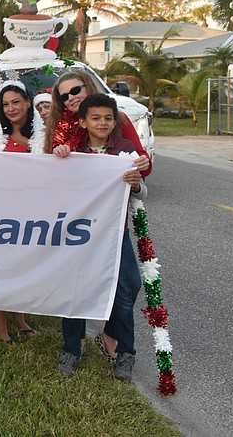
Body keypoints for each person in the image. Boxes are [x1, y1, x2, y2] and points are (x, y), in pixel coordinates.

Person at [53, 93, 146, 381]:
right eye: (95, 117)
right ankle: (72, 347)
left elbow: (142, 193)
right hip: (79, 235)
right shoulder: (73, 151)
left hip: (115, 235)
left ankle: (125, 353)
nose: (102, 122)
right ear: (82, 122)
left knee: (124, 292)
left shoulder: (125, 150)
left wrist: (136, 184)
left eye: (108, 117)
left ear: (115, 120)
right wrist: (59, 158)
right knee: (75, 290)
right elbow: (55, 185)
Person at [0, 81, 43, 342]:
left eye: (16, 102)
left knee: (23, 266)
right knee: (2, 267)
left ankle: (19, 317)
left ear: (28, 102)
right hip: (3, 209)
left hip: (31, 210)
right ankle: (0, 326)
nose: (11, 108)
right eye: (6, 104)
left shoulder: (44, 134)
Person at [45, 70, 151, 178]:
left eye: (75, 90)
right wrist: (58, 153)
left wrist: (143, 163)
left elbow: (141, 161)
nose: (71, 97)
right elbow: (51, 168)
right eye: (64, 97)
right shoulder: (58, 126)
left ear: (88, 87)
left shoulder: (118, 118)